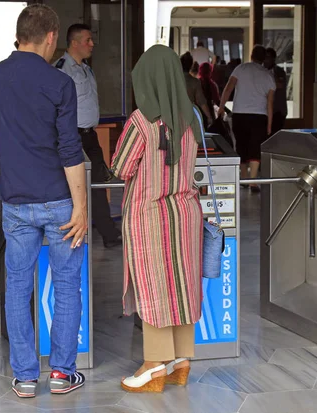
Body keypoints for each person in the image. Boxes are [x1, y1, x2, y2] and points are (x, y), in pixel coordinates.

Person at [0, 4, 87, 398]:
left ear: (20, 34)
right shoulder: (60, 84)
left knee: (18, 285)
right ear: (52, 37)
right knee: (66, 285)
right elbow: (70, 149)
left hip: (15, 200)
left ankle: (25, 376)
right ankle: (61, 374)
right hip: (59, 198)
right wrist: (82, 207)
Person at [112, 44, 203, 393]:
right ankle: (181, 360)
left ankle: (153, 366)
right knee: (181, 286)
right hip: (186, 214)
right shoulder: (190, 116)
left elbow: (121, 167)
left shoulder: (142, 120)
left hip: (150, 216)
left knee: (154, 288)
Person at [55, 24, 121, 248]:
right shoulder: (61, 70)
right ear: (74, 42)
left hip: (89, 135)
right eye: (87, 40)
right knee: (72, 186)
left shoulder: (86, 69)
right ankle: (70, 230)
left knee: (98, 183)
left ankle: (109, 234)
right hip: (71, 136)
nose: (92, 44)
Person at [218, 45, 275, 192]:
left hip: (240, 114)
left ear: (251, 55)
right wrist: (269, 123)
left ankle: (243, 177)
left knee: (241, 145)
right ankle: (253, 181)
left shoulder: (240, 69)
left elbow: (228, 88)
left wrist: (222, 106)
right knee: (255, 148)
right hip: (259, 116)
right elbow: (270, 102)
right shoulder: (268, 75)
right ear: (264, 58)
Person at [180, 52, 213, 127]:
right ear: (191, 66)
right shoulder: (194, 82)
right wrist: (209, 117)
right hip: (187, 117)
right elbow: (201, 101)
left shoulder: (171, 80)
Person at [264, 48, 288, 135]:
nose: (265, 60)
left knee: (275, 135)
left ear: (273, 59)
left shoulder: (279, 71)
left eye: (268, 57)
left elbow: (280, 85)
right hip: (265, 110)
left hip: (278, 110)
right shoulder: (261, 71)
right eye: (264, 57)